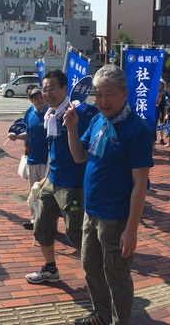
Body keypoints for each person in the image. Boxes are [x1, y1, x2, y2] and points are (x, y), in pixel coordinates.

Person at [64, 64, 153, 325]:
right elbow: (80, 157)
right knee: (91, 267)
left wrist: (132, 229)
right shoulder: (98, 120)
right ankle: (101, 315)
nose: (102, 100)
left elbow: (140, 184)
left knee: (116, 274)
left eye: (109, 94)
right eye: (98, 94)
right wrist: (71, 128)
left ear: (124, 94)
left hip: (115, 218)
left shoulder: (136, 129)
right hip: (91, 212)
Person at [25, 69, 97, 284]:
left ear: (65, 89)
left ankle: (98, 270)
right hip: (52, 181)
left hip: (73, 184)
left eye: (52, 88)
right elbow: (53, 151)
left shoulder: (78, 115)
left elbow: (84, 153)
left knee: (75, 232)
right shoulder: (51, 116)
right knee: (41, 227)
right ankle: (50, 269)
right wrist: (46, 177)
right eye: (44, 89)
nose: (47, 93)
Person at [8, 86, 49, 229]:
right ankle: (34, 220)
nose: (39, 99)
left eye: (40, 96)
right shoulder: (29, 112)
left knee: (47, 194)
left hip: (48, 160)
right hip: (33, 158)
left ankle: (49, 223)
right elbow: (28, 133)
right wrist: (16, 137)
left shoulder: (52, 113)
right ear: (31, 100)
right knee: (33, 192)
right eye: (35, 97)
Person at [156, 79, 167, 145]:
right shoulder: (154, 92)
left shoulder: (162, 94)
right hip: (155, 111)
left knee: (161, 124)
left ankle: (161, 138)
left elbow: (164, 105)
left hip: (161, 110)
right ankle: (154, 140)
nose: (159, 85)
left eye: (161, 84)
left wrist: (163, 114)